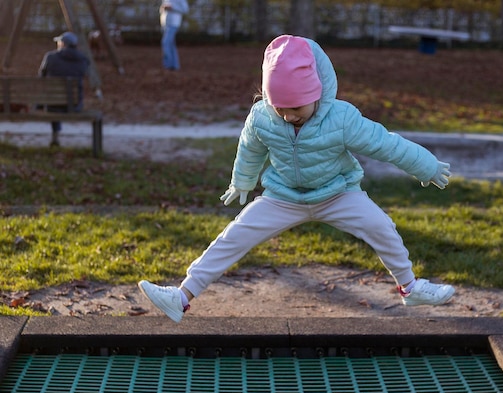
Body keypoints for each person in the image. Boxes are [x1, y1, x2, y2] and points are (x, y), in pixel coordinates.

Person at [139, 34, 455, 323]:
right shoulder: (262, 117)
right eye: (281, 108)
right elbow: (249, 151)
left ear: (316, 91)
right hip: (283, 197)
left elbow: (386, 143)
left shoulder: (342, 119)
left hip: (338, 194)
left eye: (296, 108)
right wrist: (242, 182)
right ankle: (180, 297)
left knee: (381, 226)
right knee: (234, 236)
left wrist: (425, 165)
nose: (289, 116)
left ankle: (410, 288)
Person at [38, 31, 90, 147]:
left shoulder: (50, 57)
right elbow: (84, 74)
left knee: (53, 102)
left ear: (63, 44)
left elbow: (41, 77)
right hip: (75, 104)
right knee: (60, 99)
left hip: (53, 103)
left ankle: (55, 134)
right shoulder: (83, 59)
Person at [159, 0, 189, 70]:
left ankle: (168, 65)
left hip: (174, 23)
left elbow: (185, 9)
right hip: (165, 24)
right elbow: (162, 9)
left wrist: (173, 8)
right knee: (171, 44)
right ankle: (175, 65)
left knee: (165, 42)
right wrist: (163, 8)